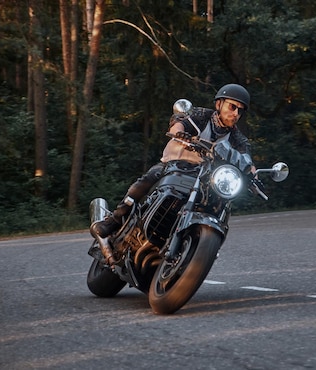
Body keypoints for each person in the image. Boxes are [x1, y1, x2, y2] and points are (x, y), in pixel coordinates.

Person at [90, 84, 256, 256]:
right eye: (232, 106)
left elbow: (247, 160)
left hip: (205, 177)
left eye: (240, 111)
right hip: (176, 165)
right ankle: (114, 220)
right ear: (219, 104)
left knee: (219, 203)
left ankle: (199, 248)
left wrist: (253, 174)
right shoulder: (201, 115)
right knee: (151, 176)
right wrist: (179, 133)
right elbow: (179, 123)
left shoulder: (238, 138)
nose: (236, 113)